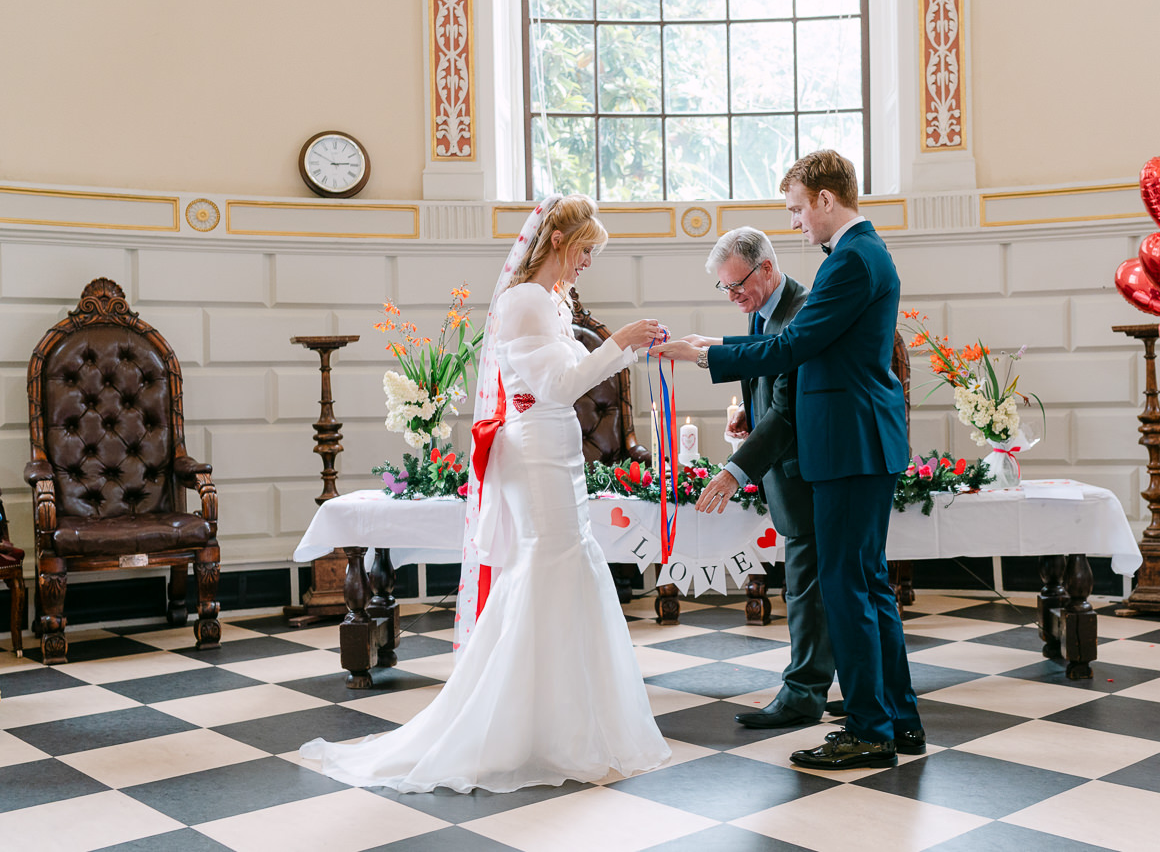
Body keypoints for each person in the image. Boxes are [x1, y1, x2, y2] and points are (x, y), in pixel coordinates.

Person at [302, 194, 671, 792]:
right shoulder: (524, 300)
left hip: (558, 455)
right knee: (547, 568)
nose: (587, 263)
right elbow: (556, 385)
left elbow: (573, 372)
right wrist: (620, 341)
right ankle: (513, 726)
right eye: (585, 250)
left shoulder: (551, 301)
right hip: (536, 456)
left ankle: (563, 722)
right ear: (558, 241)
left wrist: (649, 347)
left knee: (566, 566)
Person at [652, 150, 922, 771]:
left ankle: (868, 730)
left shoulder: (853, 258)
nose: (797, 221)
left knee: (847, 587)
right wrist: (718, 344)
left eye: (799, 208)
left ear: (826, 199)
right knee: (869, 585)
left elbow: (798, 343)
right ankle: (898, 719)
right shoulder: (856, 256)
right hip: (855, 443)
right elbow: (808, 346)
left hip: (849, 445)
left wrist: (707, 355)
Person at [684, 227, 836, 729]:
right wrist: (748, 413)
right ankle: (842, 688)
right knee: (806, 588)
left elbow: (789, 411)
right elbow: (766, 379)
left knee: (807, 591)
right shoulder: (762, 308)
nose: (733, 297)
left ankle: (803, 696)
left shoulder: (802, 310)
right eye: (725, 288)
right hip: (787, 471)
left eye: (737, 285)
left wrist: (734, 471)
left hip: (808, 473)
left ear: (766, 268)